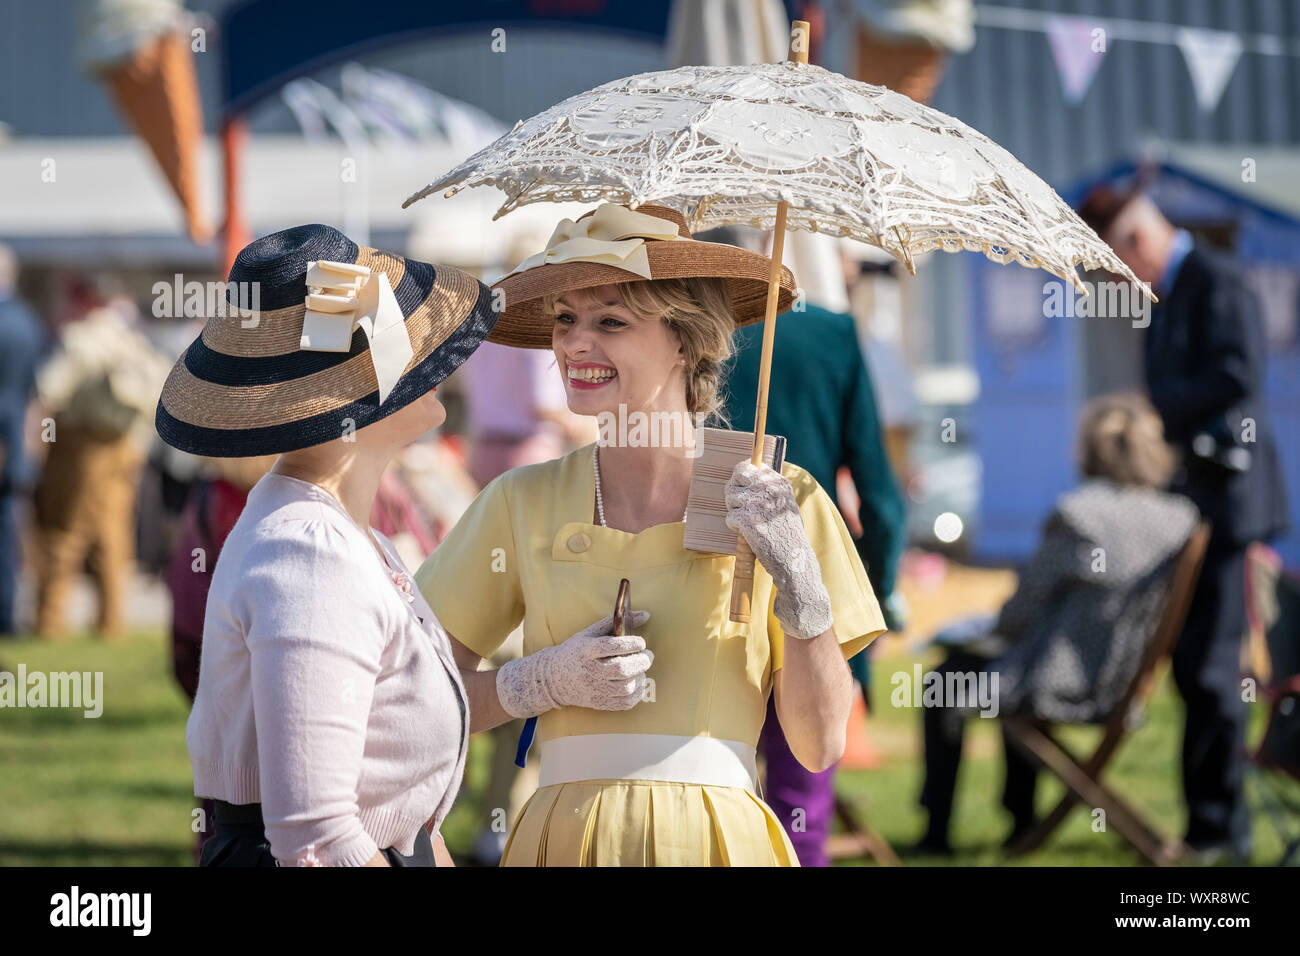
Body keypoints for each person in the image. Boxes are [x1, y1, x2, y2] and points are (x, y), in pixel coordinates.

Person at [416, 203, 887, 866]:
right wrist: (537, 682)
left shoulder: (781, 498)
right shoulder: (520, 500)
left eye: (610, 321)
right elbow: (414, 699)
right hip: (561, 842)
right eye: (565, 320)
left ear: (685, 341)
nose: (576, 344)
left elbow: (818, 745)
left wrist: (802, 586)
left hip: (719, 844)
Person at [159, 223, 508, 866]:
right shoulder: (310, 553)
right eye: (406, 341)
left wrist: (541, 682)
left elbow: (390, 749)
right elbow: (317, 839)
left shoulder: (337, 529)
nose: (434, 360)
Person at [1080, 186, 1289, 861]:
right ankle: (1208, 826)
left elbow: (1239, 376)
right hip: (1194, 509)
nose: (1123, 277)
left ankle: (1222, 832)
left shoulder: (1216, 281)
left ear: (1137, 239)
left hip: (1229, 511)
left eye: (1119, 260)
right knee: (1193, 670)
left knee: (1213, 674)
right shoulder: (1173, 292)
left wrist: (1151, 408)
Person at [916, 392, 1200, 853]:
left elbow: (1023, 608)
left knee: (945, 680)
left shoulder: (1078, 514)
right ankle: (1020, 819)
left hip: (1060, 682)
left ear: (1091, 450)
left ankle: (937, 831)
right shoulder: (1180, 519)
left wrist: (982, 630)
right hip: (1121, 681)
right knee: (1002, 673)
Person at [725, 296, 907, 866]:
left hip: (708, 577)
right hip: (815, 571)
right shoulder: (833, 333)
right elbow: (879, 492)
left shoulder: (684, 323)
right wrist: (876, 590)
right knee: (801, 801)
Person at [34, 300, 170, 639]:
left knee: (65, 531)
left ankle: (49, 622)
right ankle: (111, 622)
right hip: (124, 449)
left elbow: (49, 388)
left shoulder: (79, 339)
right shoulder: (134, 344)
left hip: (81, 449)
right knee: (113, 535)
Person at [0, 245, 46, 636]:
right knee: (9, 533)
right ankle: (8, 616)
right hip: (14, 444)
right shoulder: (29, 322)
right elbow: (35, 394)